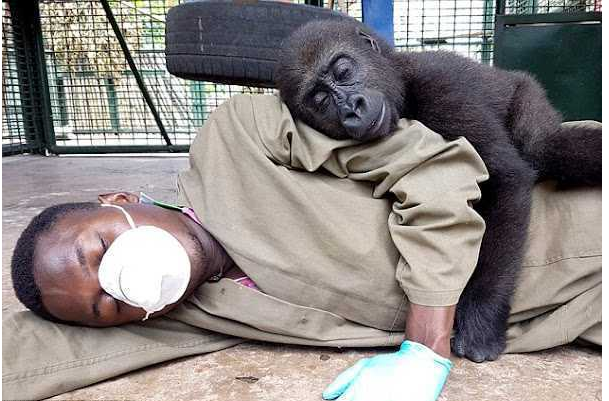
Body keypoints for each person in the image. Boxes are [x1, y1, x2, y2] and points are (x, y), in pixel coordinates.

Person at [3, 94, 601, 400]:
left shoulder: (238, 137)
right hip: (574, 312)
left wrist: (426, 350)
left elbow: (436, 169)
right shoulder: (189, 313)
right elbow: (28, 352)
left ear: (116, 198)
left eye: (101, 248)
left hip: (568, 212)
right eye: (108, 305)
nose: (123, 281)